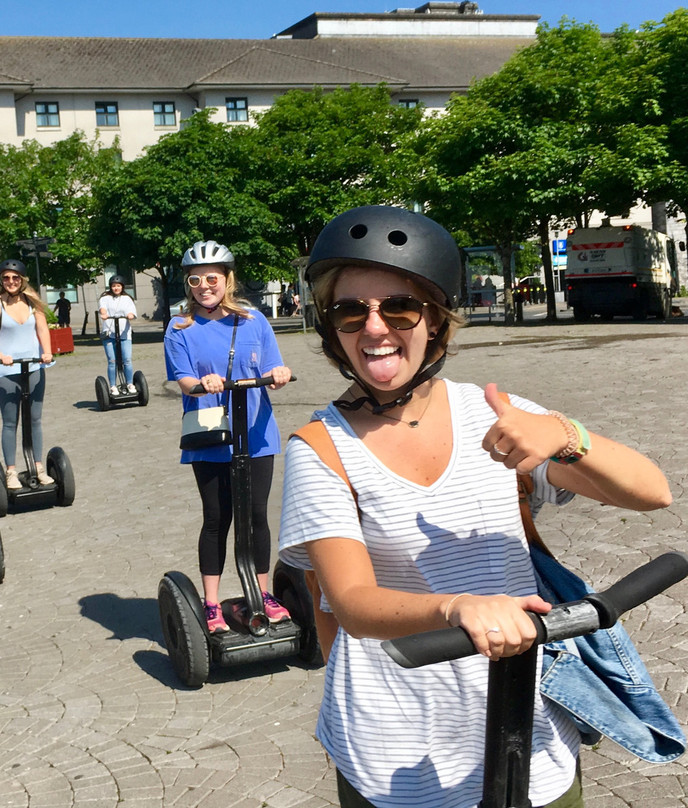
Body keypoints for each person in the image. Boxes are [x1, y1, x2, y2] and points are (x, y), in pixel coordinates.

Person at [277, 205, 671, 808]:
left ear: (434, 319)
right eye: (350, 310)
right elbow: (351, 604)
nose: (374, 329)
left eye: (399, 307)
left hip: (530, 732)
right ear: (331, 328)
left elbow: (651, 493)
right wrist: (459, 605)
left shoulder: (495, 414)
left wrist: (567, 436)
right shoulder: (320, 448)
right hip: (396, 748)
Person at [163, 239, 293, 634]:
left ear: (227, 280)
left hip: (255, 433)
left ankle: (264, 594)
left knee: (256, 516)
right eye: (196, 279)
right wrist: (200, 382)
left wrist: (280, 375)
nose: (205, 286)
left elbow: (273, 365)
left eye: (212, 278)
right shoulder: (179, 327)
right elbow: (182, 380)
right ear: (188, 284)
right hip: (209, 433)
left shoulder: (254, 321)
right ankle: (212, 603)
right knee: (217, 518)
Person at [0, 258, 54, 490]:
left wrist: (48, 352)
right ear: (1, 280)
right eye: (6, 278)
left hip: (33, 367)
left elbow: (42, 329)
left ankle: (38, 466)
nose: (10, 281)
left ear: (22, 280)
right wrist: (0, 355)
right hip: (6, 370)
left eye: (15, 278)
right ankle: (11, 471)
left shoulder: (33, 302)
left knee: (35, 419)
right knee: (10, 422)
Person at [98, 275, 137, 396]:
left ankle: (130, 383)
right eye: (114, 286)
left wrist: (130, 315)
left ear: (122, 287)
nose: (116, 288)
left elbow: (132, 311)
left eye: (118, 286)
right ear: (111, 287)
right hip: (109, 333)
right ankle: (113, 386)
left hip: (124, 333)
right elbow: (102, 309)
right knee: (112, 360)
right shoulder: (105, 298)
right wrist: (103, 314)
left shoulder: (127, 299)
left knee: (127, 359)